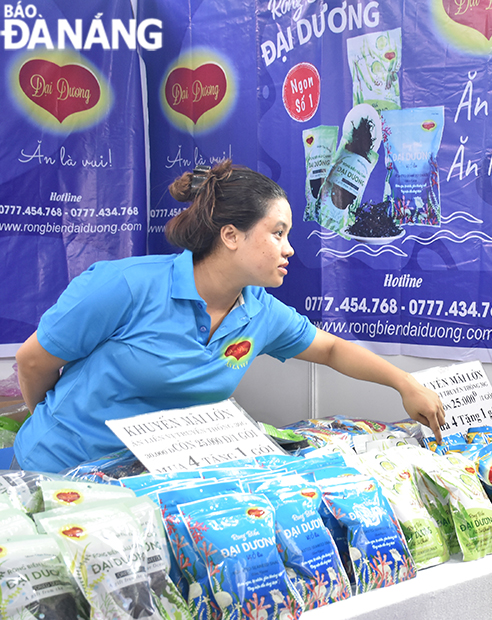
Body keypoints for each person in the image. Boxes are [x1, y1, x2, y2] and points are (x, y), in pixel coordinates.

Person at [14, 160, 445, 473]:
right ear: (231, 236)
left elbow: (331, 349)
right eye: (278, 233)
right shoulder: (125, 286)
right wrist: (49, 422)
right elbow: (33, 362)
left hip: (146, 482)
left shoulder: (259, 310)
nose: (289, 248)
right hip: (58, 472)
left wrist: (404, 383)